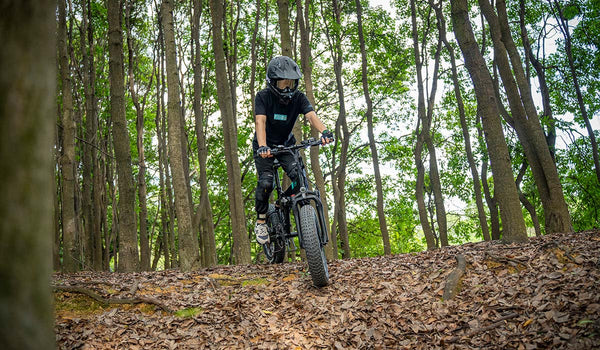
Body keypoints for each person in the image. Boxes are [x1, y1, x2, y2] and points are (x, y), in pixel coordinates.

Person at [253, 56, 333, 245]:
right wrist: (264, 146)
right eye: (282, 83)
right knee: (266, 182)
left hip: (287, 144)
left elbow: (311, 116)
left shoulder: (298, 98)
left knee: (300, 178)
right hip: (265, 145)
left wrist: (324, 131)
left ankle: (283, 203)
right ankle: (261, 220)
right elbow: (260, 121)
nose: (287, 88)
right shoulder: (263, 97)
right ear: (272, 82)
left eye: (291, 83)